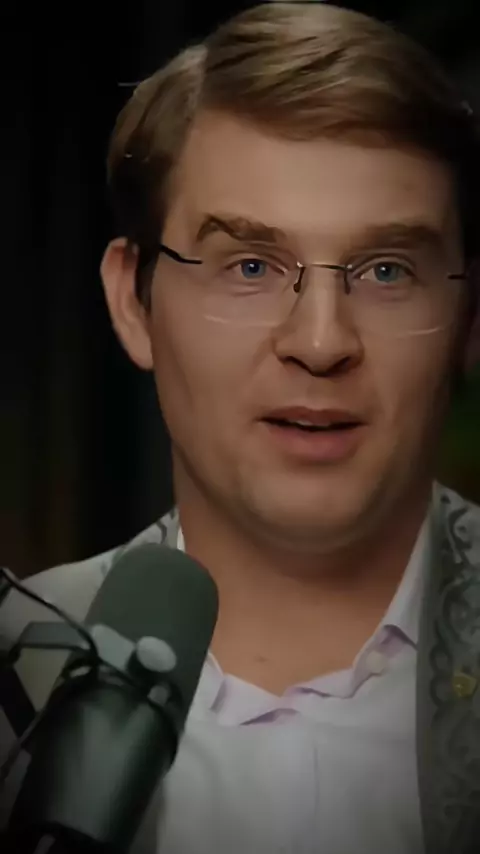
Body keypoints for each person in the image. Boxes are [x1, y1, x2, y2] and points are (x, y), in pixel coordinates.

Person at [2, 3, 480, 853]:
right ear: (133, 303)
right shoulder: (17, 679)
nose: (321, 343)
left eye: (386, 270)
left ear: (470, 317)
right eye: (251, 265)